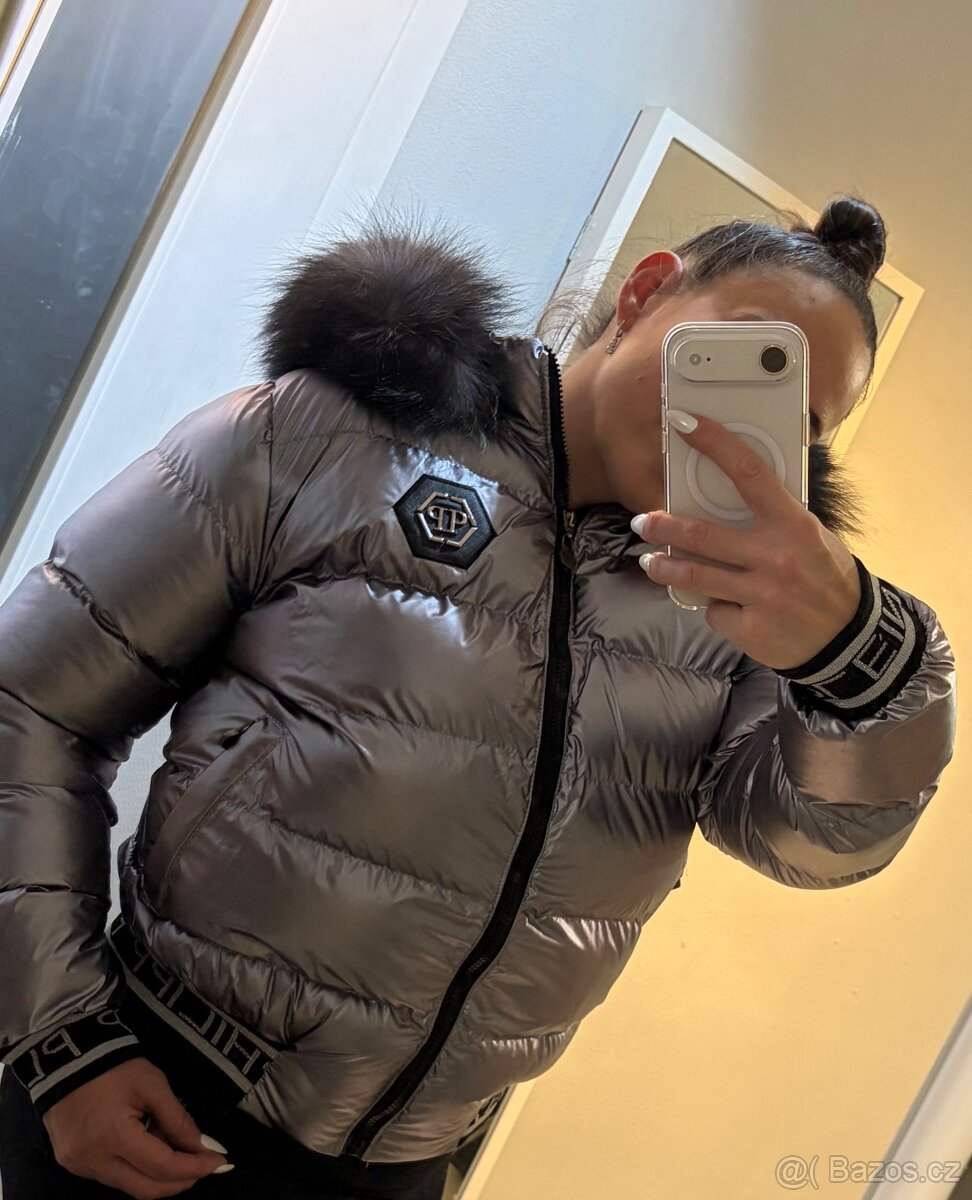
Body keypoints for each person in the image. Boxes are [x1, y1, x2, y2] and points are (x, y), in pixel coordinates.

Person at [0, 197, 956, 1200]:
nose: (729, 436)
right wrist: (61, 1036)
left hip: (402, 1165)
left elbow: (814, 843)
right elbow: (31, 703)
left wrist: (860, 655)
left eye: (793, 426)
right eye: (729, 360)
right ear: (644, 293)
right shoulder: (326, 435)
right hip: (151, 1091)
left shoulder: (738, 612)